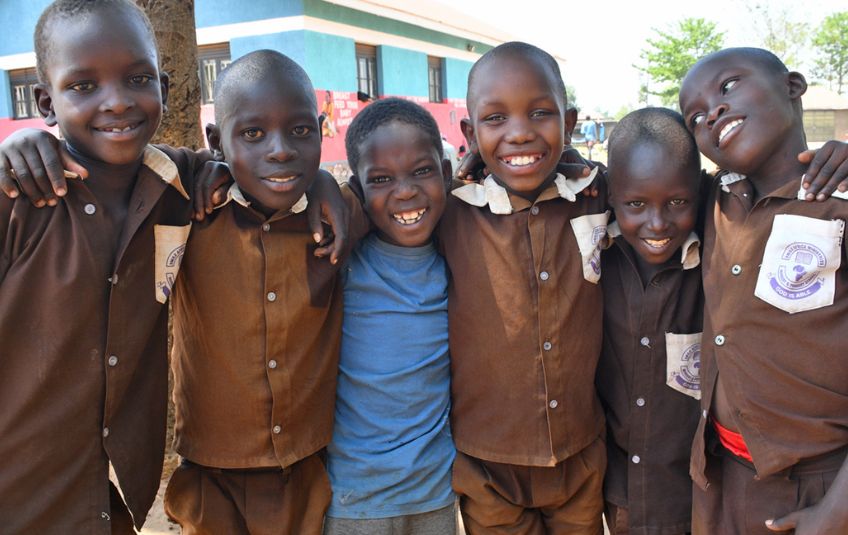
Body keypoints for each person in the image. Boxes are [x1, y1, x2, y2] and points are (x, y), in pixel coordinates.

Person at [0, 1, 200, 532]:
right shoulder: (15, 198)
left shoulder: (177, 185)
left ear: (161, 81)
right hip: (19, 496)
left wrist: (319, 185)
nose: (117, 103)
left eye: (137, 78)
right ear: (45, 101)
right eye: (83, 86)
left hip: (113, 499)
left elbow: (256, 169)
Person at [158, 50, 364, 534]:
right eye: (252, 134)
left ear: (320, 128)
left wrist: (321, 180)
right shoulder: (189, 202)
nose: (280, 151)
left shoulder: (341, 215)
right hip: (211, 471)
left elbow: (422, 185)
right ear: (215, 139)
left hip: (306, 468)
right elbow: (120, 160)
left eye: (299, 131)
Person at [440, 41, 609, 534]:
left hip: (580, 455)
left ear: (569, 122)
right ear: (470, 133)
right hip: (488, 466)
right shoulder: (449, 211)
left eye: (540, 113)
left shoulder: (599, 196)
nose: (519, 133)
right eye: (495, 119)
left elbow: (668, 188)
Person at [679, 47, 848, 535]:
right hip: (723, 476)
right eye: (695, 116)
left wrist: (836, 512)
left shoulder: (837, 206)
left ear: (792, 86)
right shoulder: (714, 201)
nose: (712, 111)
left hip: (823, 484)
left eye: (728, 86)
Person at [323, 97, 457, 534]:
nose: (404, 190)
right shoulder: (340, 265)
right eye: (381, 179)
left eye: (422, 171)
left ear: (447, 175)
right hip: (354, 496)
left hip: (436, 490)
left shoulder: (462, 257)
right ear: (358, 192)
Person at [597, 107, 704, 535]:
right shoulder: (596, 253)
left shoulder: (718, 249)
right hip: (618, 492)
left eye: (678, 202)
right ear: (609, 194)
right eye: (636, 204)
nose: (658, 223)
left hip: (695, 494)